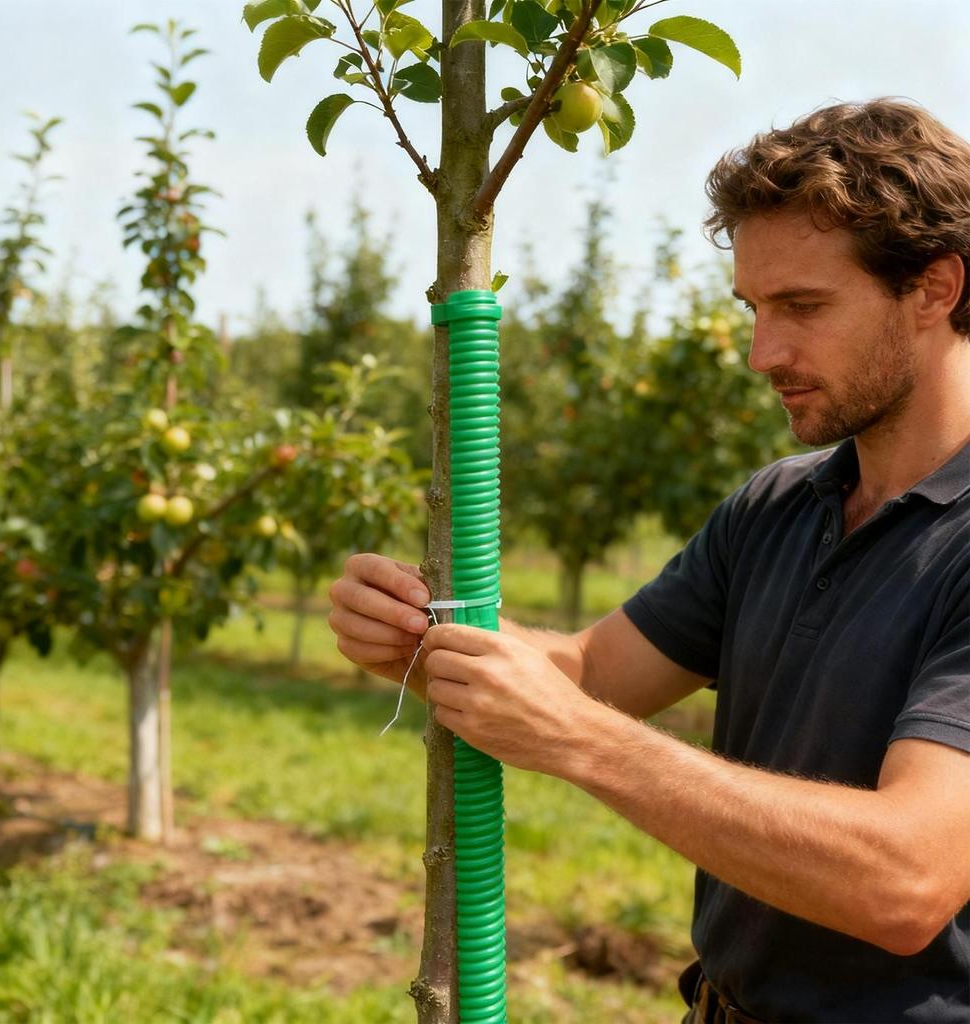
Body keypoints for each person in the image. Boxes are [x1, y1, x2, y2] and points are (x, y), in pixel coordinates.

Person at [327, 99, 970, 1023]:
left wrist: (581, 745)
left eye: (803, 306)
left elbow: (905, 882)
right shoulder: (779, 507)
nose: (762, 352)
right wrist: (422, 640)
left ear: (935, 288)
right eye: (753, 307)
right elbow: (593, 674)